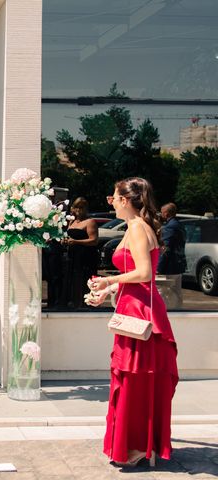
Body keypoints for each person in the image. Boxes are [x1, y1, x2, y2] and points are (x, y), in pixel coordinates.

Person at [89, 177, 178, 467]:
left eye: (112, 198)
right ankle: (135, 444)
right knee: (130, 380)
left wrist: (109, 279)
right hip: (133, 307)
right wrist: (108, 291)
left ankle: (138, 445)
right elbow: (136, 277)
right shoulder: (134, 228)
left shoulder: (139, 228)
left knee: (135, 381)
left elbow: (143, 274)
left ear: (125, 200)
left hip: (142, 312)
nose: (111, 202)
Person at [61, 197, 99, 308]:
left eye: (81, 208)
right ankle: (73, 302)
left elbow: (94, 240)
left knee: (84, 280)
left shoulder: (90, 221)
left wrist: (76, 241)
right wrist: (65, 241)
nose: (78, 211)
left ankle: (87, 304)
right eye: (76, 207)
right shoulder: (71, 221)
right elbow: (69, 236)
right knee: (73, 280)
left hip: (86, 257)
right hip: (73, 256)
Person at [157, 202, 186, 276]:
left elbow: (165, 249)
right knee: (176, 287)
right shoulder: (179, 225)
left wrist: (158, 268)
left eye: (162, 212)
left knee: (168, 287)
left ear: (166, 214)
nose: (161, 214)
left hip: (170, 267)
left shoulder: (169, 227)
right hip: (178, 265)